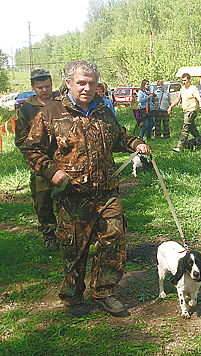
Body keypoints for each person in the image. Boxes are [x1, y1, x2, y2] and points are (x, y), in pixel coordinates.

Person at [20, 60, 151, 318]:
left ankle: (104, 291)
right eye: (81, 83)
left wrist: (135, 142)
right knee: (75, 248)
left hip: (106, 191)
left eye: (91, 83)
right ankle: (73, 295)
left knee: (113, 240)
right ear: (68, 83)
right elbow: (31, 149)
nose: (87, 88)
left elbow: (118, 137)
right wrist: (52, 172)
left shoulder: (103, 109)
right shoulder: (51, 112)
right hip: (73, 195)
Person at [15, 68, 60, 252]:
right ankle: (49, 236)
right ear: (33, 87)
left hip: (64, 160)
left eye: (47, 86)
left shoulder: (60, 103)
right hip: (40, 164)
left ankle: (69, 234)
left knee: (68, 199)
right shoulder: (27, 109)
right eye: (40, 87)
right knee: (43, 202)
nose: (44, 90)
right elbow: (20, 140)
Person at [167, 73, 201, 152]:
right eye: (182, 80)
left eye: (185, 80)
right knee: (192, 129)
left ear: (189, 80)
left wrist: (200, 104)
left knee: (185, 128)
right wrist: (170, 107)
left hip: (191, 110)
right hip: (185, 111)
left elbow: (198, 98)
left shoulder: (193, 88)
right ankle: (200, 142)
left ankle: (180, 147)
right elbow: (178, 99)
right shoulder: (182, 88)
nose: (184, 82)